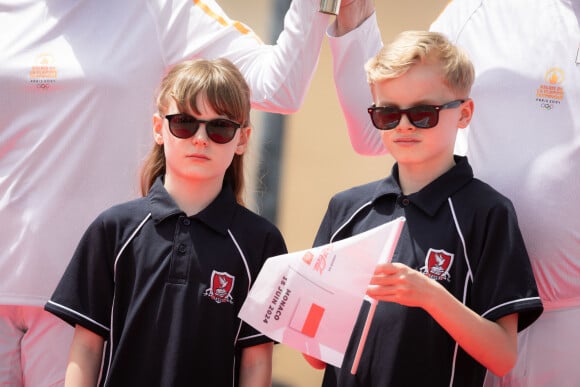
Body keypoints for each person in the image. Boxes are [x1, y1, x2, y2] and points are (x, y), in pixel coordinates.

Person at [0, 0, 380, 385]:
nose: (199, 136)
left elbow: (279, 85)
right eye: (183, 124)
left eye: (212, 129)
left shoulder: (161, 9)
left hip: (86, 300)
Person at [342, 1, 580, 385]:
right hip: (470, 311)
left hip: (570, 318)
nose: (405, 123)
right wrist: (354, 30)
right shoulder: (478, 10)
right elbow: (386, 122)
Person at [303, 31, 543, 386]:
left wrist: (429, 295)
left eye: (422, 113)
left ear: (464, 114)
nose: (403, 125)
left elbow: (503, 355)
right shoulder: (346, 208)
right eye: (387, 114)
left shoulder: (488, 213)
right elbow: (314, 357)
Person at [43, 58, 286, 386]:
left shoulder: (261, 242)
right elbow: (86, 348)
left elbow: (256, 362)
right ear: (159, 128)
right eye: (185, 123)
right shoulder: (113, 229)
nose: (201, 138)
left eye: (220, 127)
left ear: (241, 139)